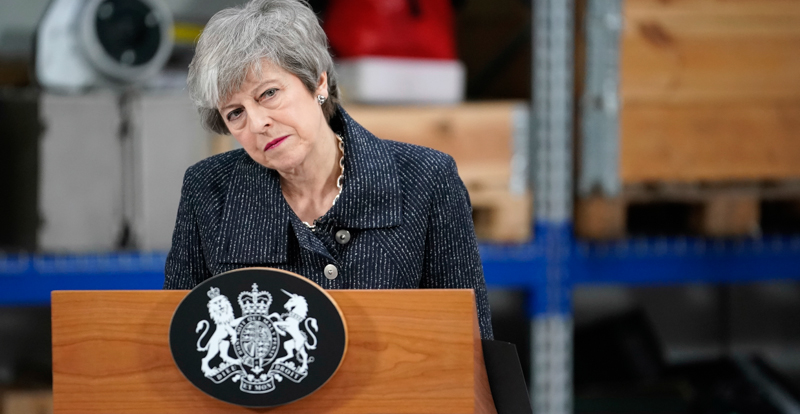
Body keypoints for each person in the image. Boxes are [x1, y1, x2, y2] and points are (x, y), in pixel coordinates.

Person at [163, 0, 493, 339]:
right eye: (235, 113)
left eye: (269, 94)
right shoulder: (207, 189)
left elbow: (470, 348)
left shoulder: (428, 180)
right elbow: (178, 342)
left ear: (318, 83)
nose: (258, 123)